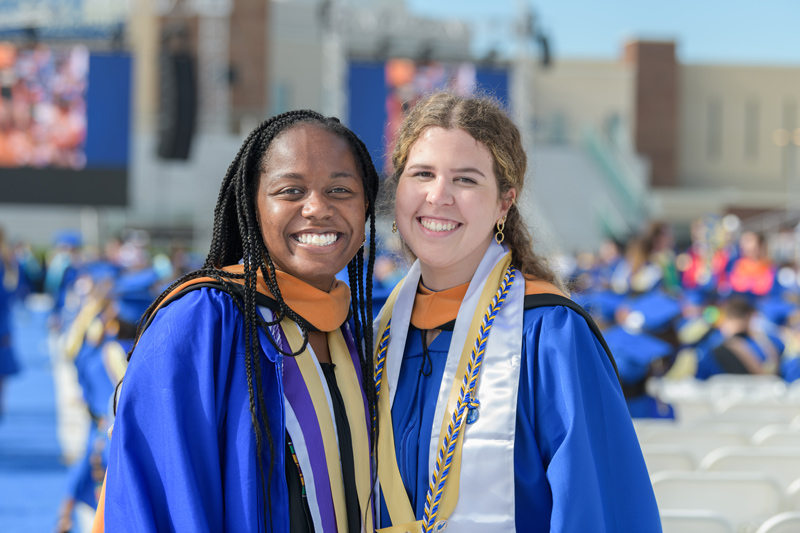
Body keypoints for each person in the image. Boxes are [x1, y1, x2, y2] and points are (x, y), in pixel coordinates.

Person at [373, 92, 661, 532]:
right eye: (422, 174)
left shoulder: (549, 334)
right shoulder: (372, 334)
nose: (438, 196)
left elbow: (595, 511)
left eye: (466, 180)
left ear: (504, 203)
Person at [93, 110, 380, 532]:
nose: (318, 208)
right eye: (290, 190)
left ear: (366, 204)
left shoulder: (353, 334)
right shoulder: (204, 322)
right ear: (252, 203)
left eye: (340, 190)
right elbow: (155, 502)